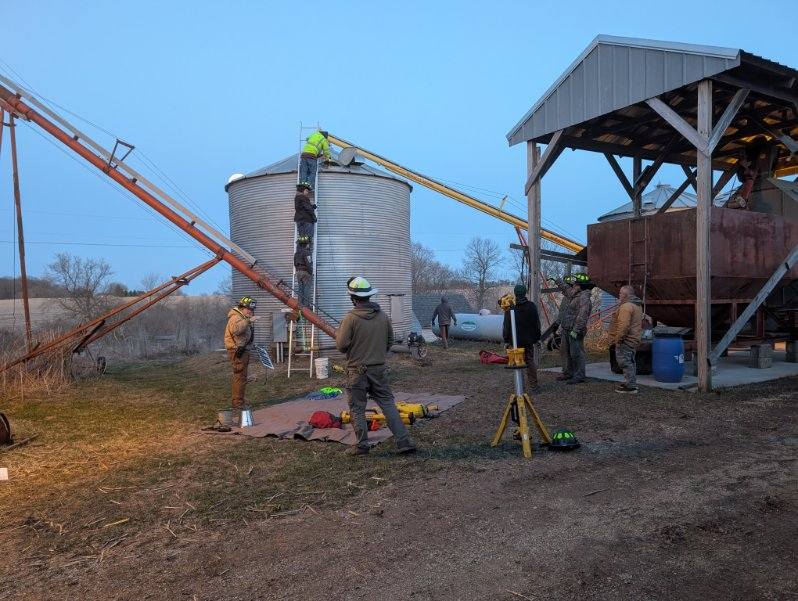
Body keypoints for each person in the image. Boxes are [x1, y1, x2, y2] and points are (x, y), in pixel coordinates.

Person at [335, 276, 417, 456]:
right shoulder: (383, 317)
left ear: (353, 298)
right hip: (379, 369)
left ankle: (362, 445)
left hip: (357, 371)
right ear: (369, 296)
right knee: (388, 404)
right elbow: (390, 342)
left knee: (357, 407)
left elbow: (341, 345)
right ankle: (403, 441)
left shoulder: (350, 319)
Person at [224, 296, 259, 421]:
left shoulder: (241, 317)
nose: (251, 312)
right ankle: (237, 403)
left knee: (242, 376)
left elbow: (243, 335)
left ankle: (239, 400)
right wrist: (249, 321)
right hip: (237, 351)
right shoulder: (236, 317)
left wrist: (250, 345)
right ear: (242, 308)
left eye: (252, 310)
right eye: (249, 309)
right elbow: (236, 330)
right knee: (239, 376)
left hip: (243, 350)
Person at [502, 283, 541, 392]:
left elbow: (506, 327)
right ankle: (534, 386)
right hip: (529, 341)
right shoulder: (532, 306)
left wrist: (506, 340)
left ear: (515, 294)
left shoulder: (510, 310)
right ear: (525, 293)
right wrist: (537, 338)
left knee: (518, 363)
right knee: (530, 362)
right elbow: (537, 324)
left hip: (515, 342)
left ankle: (520, 387)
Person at [608, 284, 643, 394]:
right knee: (631, 361)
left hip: (625, 340)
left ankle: (631, 386)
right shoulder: (636, 305)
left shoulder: (626, 307)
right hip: (633, 339)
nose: (619, 295)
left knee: (625, 362)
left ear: (625, 295)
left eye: (620, 293)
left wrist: (618, 339)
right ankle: (630, 382)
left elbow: (623, 326)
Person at [565, 272, 593, 385]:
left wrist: (576, 330)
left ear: (580, 286)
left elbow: (582, 315)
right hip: (570, 328)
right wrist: (559, 282)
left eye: (576, 284)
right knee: (571, 353)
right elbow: (567, 291)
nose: (574, 285)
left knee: (577, 353)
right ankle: (573, 373)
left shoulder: (584, 298)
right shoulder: (576, 295)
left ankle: (579, 376)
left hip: (575, 330)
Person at [553, 275, 578, 381]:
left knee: (575, 352)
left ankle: (577, 373)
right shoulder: (565, 299)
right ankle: (567, 372)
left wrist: (576, 329)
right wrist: (557, 324)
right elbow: (562, 313)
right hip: (565, 329)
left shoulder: (577, 298)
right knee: (564, 351)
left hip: (574, 329)